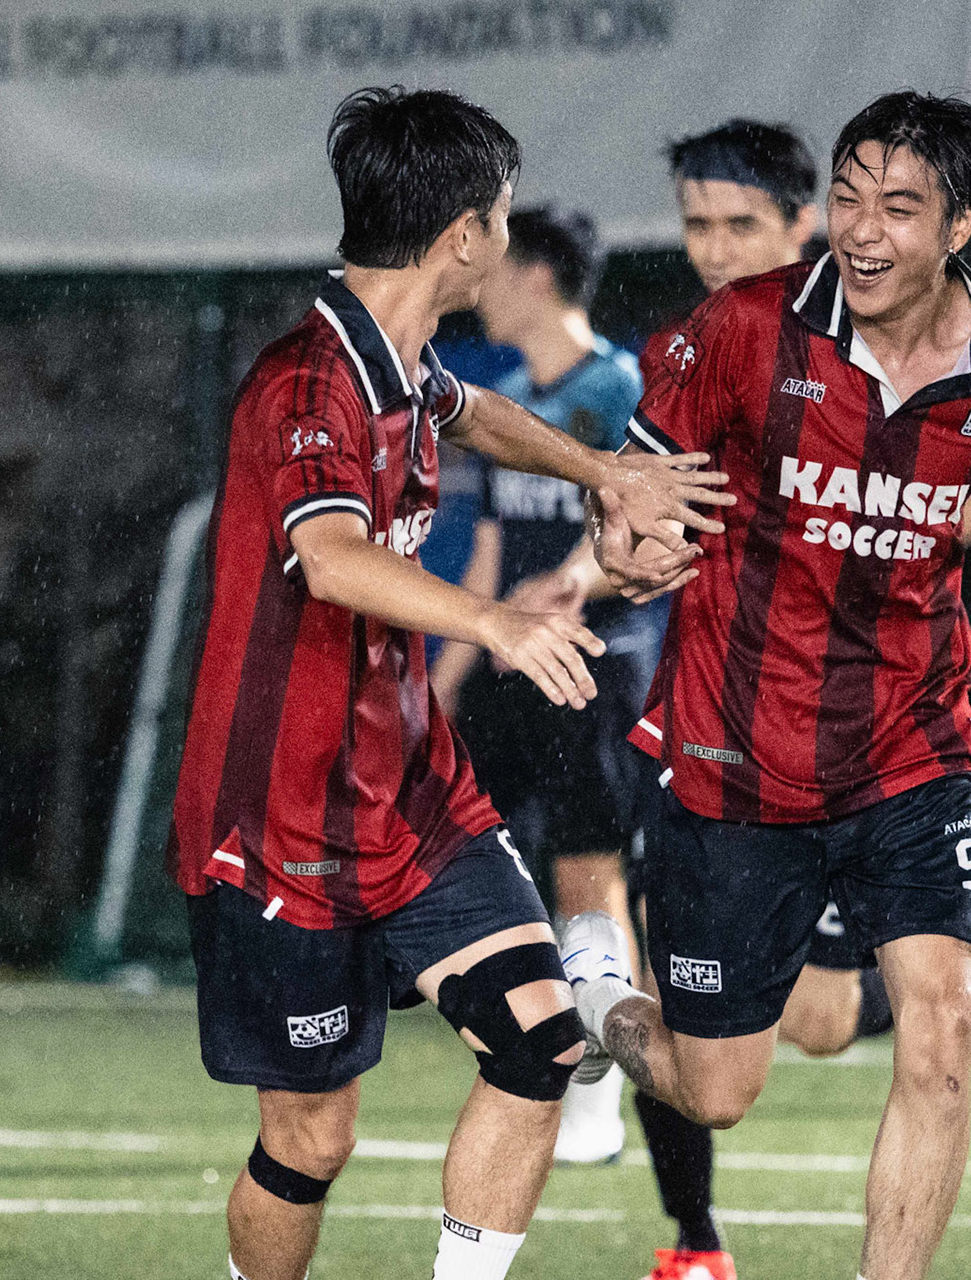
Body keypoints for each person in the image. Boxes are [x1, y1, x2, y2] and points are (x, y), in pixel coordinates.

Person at [559, 92, 971, 1280]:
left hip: (912, 745)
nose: (862, 227)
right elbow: (633, 491)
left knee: (943, 1033)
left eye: (898, 205)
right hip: (738, 750)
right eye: (848, 198)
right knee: (716, 1086)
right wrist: (626, 543)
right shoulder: (744, 328)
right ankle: (593, 996)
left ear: (959, 225)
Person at [168, 85, 728, 1280]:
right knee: (311, 1137)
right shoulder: (306, 384)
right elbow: (329, 557)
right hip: (276, 821)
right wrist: (495, 620)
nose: (509, 237)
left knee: (541, 1038)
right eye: (503, 215)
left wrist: (606, 474)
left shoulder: (404, 367)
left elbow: (474, 416)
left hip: (413, 794)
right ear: (464, 235)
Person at [428, 207, 651, 1168]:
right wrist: (440, 686)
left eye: (499, 264)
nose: (479, 284)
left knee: (587, 870)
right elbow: (486, 556)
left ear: (541, 275)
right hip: (509, 668)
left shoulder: (622, 387)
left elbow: (645, 526)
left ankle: (597, 1095)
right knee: (458, 852)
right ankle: (535, 1039)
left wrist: (567, 582)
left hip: (594, 664)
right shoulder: (503, 399)